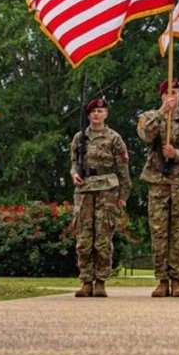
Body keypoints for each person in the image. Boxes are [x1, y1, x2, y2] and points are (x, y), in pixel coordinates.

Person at [137, 79, 179, 297]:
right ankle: (162, 279)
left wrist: (177, 154)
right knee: (159, 231)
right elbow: (145, 136)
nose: (171, 96)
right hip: (158, 182)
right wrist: (161, 112)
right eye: (167, 93)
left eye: (175, 92)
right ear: (161, 96)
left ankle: (176, 279)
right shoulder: (150, 117)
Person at [70, 97, 130, 298]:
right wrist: (74, 174)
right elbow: (73, 162)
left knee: (103, 237)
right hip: (85, 189)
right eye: (93, 111)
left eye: (100, 111)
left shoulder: (114, 138)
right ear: (88, 115)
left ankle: (101, 281)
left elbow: (123, 170)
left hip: (107, 189)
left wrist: (123, 196)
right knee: (84, 238)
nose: (96, 114)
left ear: (106, 114)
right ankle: (86, 280)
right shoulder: (80, 138)